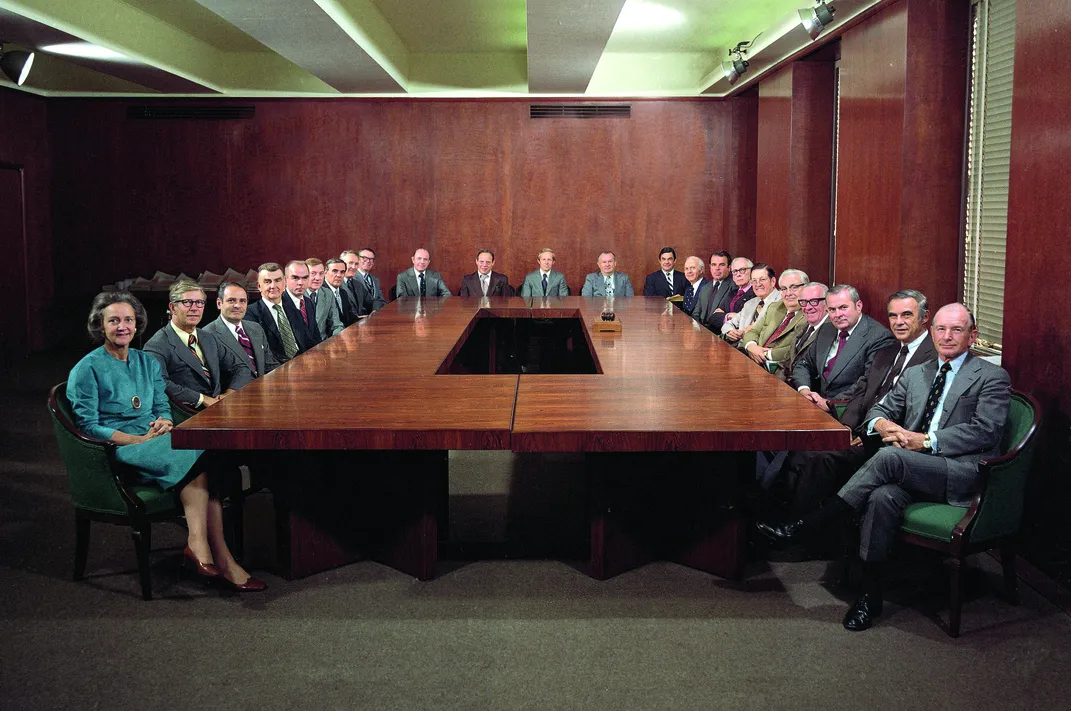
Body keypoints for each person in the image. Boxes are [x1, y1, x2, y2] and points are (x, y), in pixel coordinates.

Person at [757, 303, 1010, 631]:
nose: (947, 337)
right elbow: (881, 407)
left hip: (959, 471)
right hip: (912, 467)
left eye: (957, 330)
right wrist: (880, 424)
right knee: (882, 498)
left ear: (972, 336)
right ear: (931, 332)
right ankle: (870, 595)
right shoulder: (919, 372)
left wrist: (927, 441)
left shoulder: (991, 376)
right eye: (941, 329)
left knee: (890, 457)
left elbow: (985, 430)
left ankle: (807, 524)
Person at [67, 291, 266, 591]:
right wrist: (136, 439)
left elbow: (161, 404)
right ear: (100, 326)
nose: (122, 327)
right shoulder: (87, 368)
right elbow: (89, 426)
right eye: (113, 321)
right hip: (121, 450)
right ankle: (214, 554)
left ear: (137, 325)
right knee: (205, 453)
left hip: (157, 440)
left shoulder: (146, 362)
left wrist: (165, 421)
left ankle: (207, 551)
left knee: (210, 454)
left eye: (128, 320)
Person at [144, 280, 252, 410]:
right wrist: (203, 400)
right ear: (173, 308)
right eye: (187, 302)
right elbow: (160, 383)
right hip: (187, 413)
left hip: (221, 408)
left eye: (199, 303)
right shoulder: (157, 345)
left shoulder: (208, 337)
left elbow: (241, 367)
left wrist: (229, 394)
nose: (194, 308)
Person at [791, 284, 896, 407]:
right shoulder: (826, 329)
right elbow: (804, 364)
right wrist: (805, 390)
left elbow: (867, 383)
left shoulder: (878, 336)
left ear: (858, 306)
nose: (837, 315)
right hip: (815, 404)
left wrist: (830, 404)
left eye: (843, 308)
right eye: (832, 310)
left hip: (847, 410)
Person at [245, 261, 321, 363]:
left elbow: (308, 340)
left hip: (304, 363)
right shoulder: (250, 313)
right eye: (267, 281)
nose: (273, 286)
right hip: (277, 370)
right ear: (259, 286)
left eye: (277, 280)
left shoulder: (293, 308)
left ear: (284, 282)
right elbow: (263, 353)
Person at [203, 282, 279, 379]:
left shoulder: (256, 328)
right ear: (219, 303)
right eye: (231, 300)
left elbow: (270, 365)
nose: (237, 305)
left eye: (242, 301)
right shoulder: (207, 334)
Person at [741, 269, 809, 369]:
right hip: (752, 360)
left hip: (779, 369)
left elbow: (797, 348)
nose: (788, 293)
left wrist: (765, 354)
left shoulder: (809, 314)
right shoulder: (774, 307)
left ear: (806, 288)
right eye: (784, 289)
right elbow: (753, 331)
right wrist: (752, 346)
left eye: (794, 287)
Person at [782, 282, 829, 386]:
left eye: (813, 301)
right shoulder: (801, 327)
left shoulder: (831, 331)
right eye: (803, 302)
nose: (808, 307)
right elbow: (786, 362)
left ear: (827, 303)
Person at [722, 264, 781, 343]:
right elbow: (729, 324)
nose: (758, 284)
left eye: (762, 279)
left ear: (773, 281)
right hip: (740, 348)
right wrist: (730, 332)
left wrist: (749, 331)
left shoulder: (781, 301)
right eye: (754, 281)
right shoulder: (750, 303)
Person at [706, 256, 754, 332]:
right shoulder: (732, 293)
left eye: (742, 270)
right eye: (735, 271)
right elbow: (713, 317)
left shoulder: (756, 293)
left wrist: (726, 316)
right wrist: (728, 316)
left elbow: (746, 322)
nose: (738, 274)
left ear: (752, 271)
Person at [304, 257, 344, 339]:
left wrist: (336, 342)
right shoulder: (297, 294)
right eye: (313, 273)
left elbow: (337, 325)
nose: (318, 278)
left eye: (321, 273)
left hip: (323, 344)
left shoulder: (328, 293)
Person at [344, 248, 387, 318]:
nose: (368, 261)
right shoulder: (344, 280)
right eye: (364, 258)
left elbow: (376, 301)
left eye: (371, 259)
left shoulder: (358, 284)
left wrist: (374, 311)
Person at [320, 258, 358, 325]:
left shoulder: (343, 293)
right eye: (335, 271)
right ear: (325, 273)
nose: (339, 275)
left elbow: (350, 318)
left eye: (342, 272)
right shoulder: (320, 293)